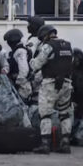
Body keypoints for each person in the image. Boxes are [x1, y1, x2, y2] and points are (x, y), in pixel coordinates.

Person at [30, 25, 75, 154]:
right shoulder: (67, 45)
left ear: (45, 35)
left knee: (45, 113)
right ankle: (65, 143)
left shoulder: (48, 46)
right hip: (66, 83)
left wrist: (32, 59)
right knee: (64, 113)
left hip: (50, 84)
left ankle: (45, 144)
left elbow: (36, 65)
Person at [3, 29, 35, 110]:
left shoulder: (20, 51)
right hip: (21, 84)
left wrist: (18, 82)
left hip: (22, 86)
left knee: (22, 109)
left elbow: (24, 69)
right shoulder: (19, 50)